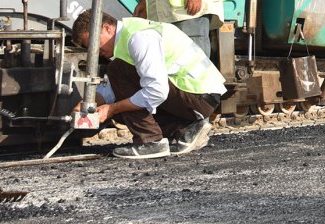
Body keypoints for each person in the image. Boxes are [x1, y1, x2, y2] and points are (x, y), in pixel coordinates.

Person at [71, 9, 224, 159]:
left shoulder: (139, 37)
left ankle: (151, 142)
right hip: (196, 94)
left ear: (107, 28)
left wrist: (112, 109)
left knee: (117, 72)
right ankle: (184, 128)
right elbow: (113, 88)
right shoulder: (130, 35)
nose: (94, 51)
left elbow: (157, 91)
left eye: (93, 43)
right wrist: (89, 103)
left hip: (198, 96)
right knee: (121, 92)